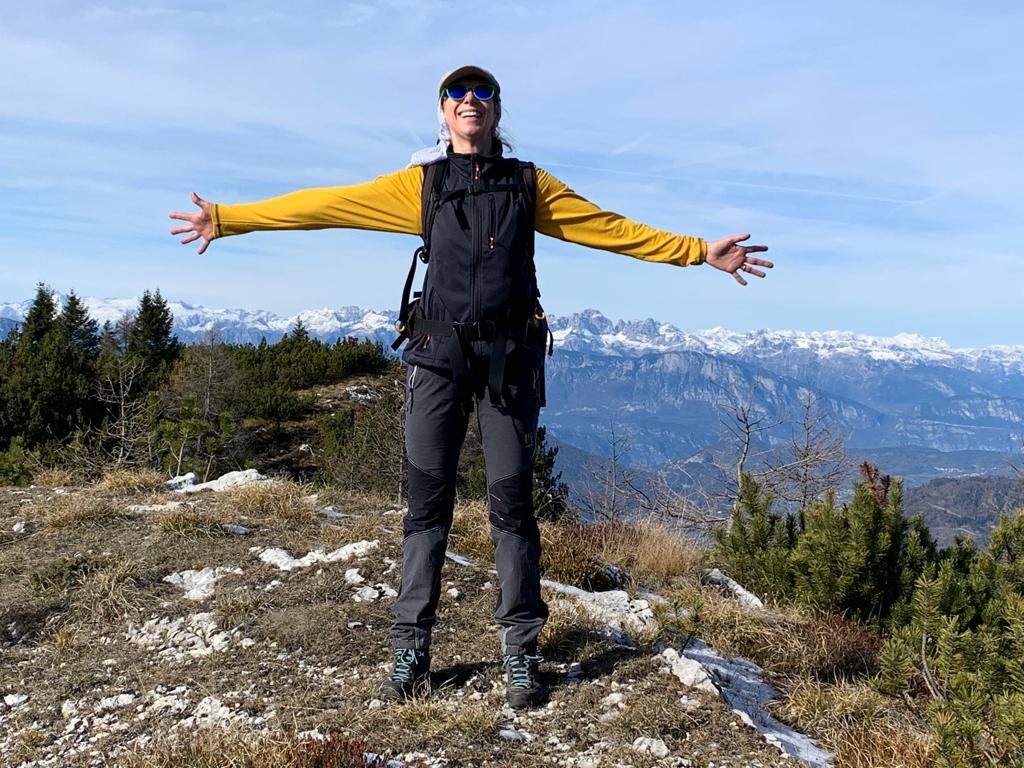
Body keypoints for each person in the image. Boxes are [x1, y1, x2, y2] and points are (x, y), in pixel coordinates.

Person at [169, 64, 771, 709]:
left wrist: (695, 251)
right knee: (426, 507)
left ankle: (521, 650)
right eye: (457, 93)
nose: (470, 101)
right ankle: (411, 648)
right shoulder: (419, 186)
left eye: (482, 93)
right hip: (437, 360)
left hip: (510, 363)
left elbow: (609, 227)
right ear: (442, 112)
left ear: (497, 111)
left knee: (512, 509)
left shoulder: (528, 184)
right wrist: (230, 219)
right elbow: (325, 205)